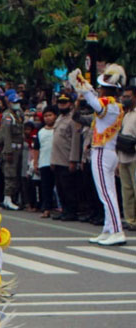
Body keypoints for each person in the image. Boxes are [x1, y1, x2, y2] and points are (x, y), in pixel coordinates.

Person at [69, 64, 127, 245]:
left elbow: (95, 104)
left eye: (101, 87)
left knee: (107, 194)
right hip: (106, 152)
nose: (99, 90)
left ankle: (117, 231)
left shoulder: (110, 104)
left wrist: (83, 87)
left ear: (106, 89)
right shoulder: (114, 105)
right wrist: (86, 88)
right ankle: (108, 228)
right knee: (108, 192)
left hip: (103, 153)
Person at [49, 94, 80, 221]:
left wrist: (73, 160)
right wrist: (52, 160)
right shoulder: (59, 118)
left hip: (67, 158)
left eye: (65, 102)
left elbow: (75, 141)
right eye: (60, 102)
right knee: (60, 188)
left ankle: (71, 211)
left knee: (68, 188)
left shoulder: (73, 119)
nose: (62, 104)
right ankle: (64, 210)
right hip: (57, 159)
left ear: (71, 104)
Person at [0, 92, 24, 210]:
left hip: (18, 147)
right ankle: (7, 198)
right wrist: (8, 151)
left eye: (18, 102)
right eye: (15, 102)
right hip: (11, 148)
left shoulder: (17, 114)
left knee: (16, 174)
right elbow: (6, 135)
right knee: (10, 174)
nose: (17, 104)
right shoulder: (8, 116)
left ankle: (11, 197)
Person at [117, 86, 136, 231]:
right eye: (124, 96)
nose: (125, 99)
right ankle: (130, 220)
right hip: (123, 157)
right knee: (127, 191)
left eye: (128, 96)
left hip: (134, 157)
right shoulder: (125, 114)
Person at [33, 106, 56, 218]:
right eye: (46, 116)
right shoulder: (41, 132)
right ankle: (47, 209)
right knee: (46, 188)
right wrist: (35, 162)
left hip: (57, 162)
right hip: (44, 162)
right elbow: (36, 148)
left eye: (50, 115)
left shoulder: (57, 129)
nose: (48, 118)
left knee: (61, 187)